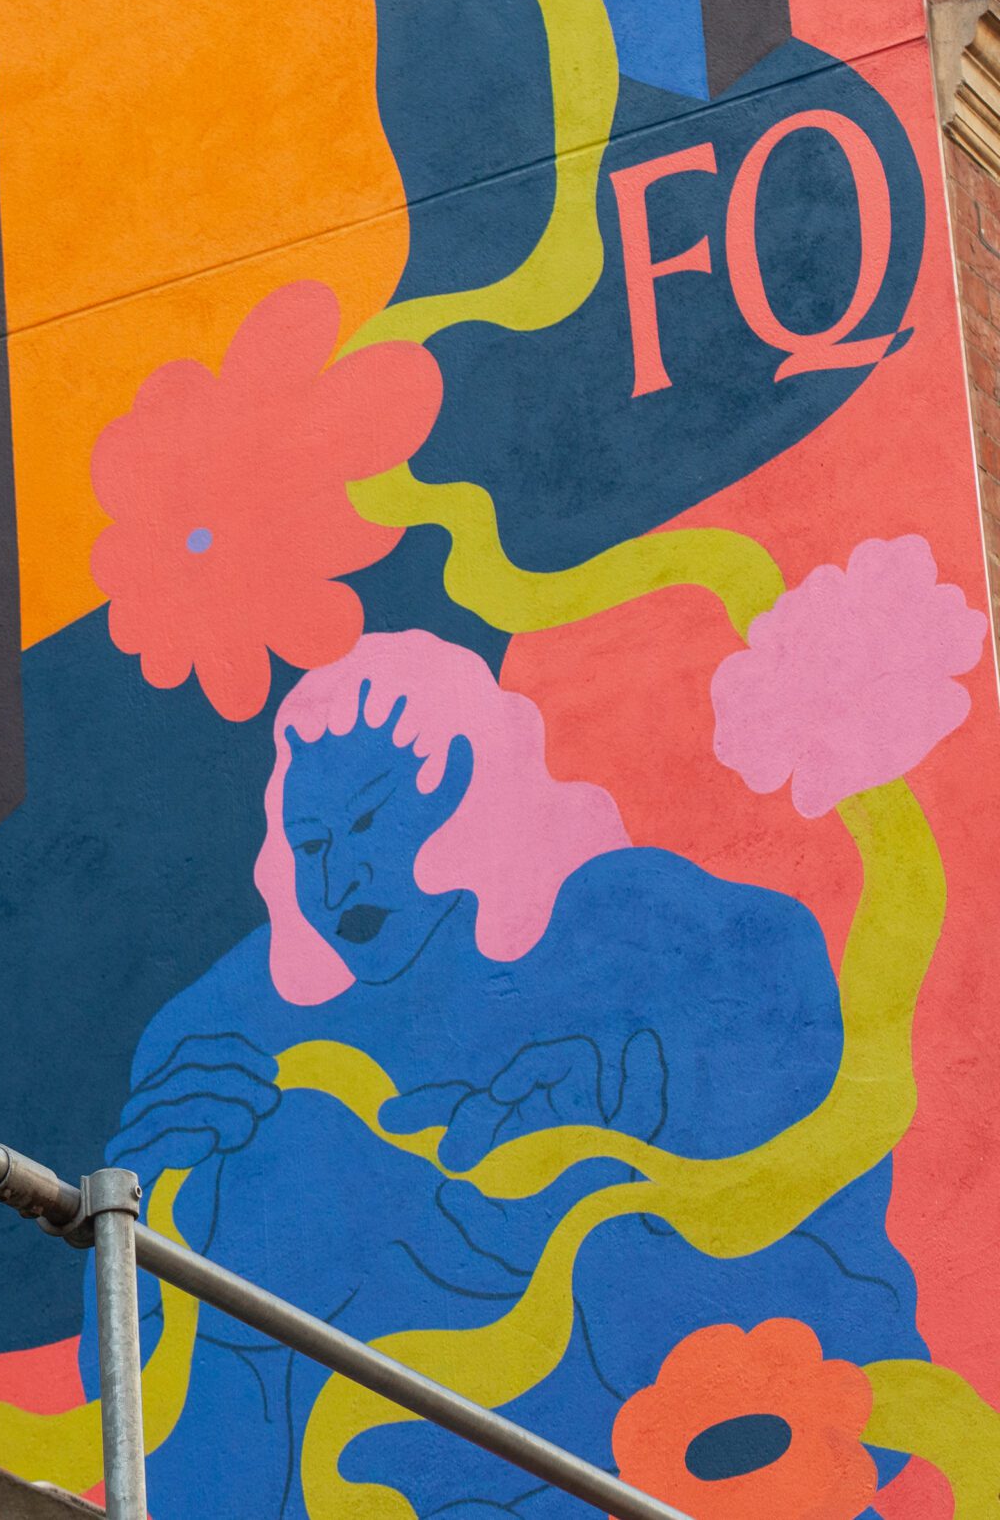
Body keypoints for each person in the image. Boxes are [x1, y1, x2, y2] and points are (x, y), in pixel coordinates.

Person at [91, 631, 926, 1515]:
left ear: (464, 780)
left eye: (367, 822)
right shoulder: (228, 1035)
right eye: (310, 845)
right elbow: (162, 1430)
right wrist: (143, 1231)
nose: (337, 879)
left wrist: (633, 1110)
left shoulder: (640, 926)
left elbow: (799, 1075)